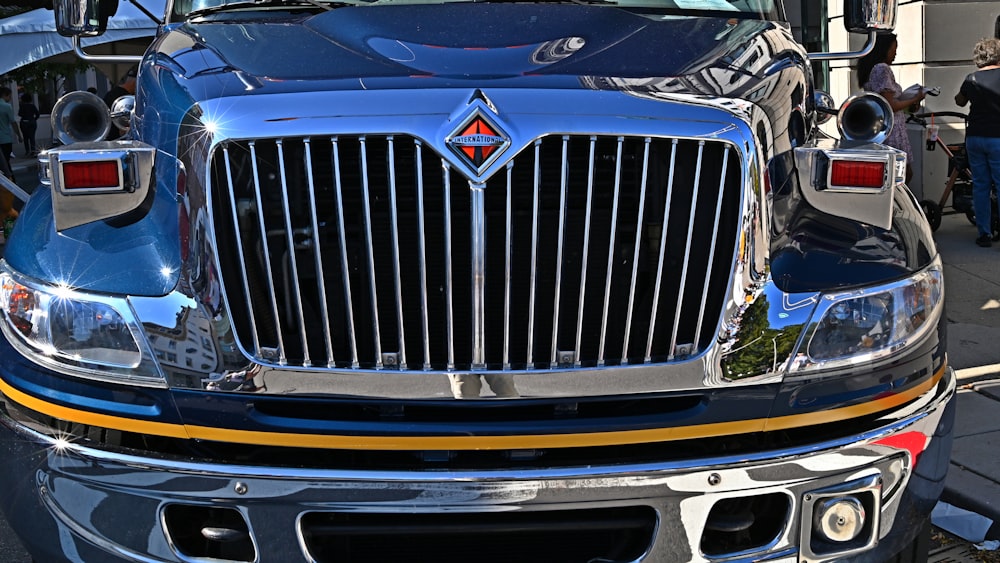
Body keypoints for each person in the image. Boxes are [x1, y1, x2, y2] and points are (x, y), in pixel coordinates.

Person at [857, 31, 928, 184]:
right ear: (884, 49)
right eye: (894, 49)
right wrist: (916, 97)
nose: (896, 53)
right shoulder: (882, 69)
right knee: (902, 173)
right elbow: (890, 105)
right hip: (892, 130)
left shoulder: (872, 68)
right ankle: (894, 205)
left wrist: (909, 103)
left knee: (895, 173)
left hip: (883, 126)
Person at [956, 37, 1000, 247]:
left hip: (975, 137)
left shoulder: (971, 78)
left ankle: (985, 233)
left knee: (980, 186)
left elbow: (959, 100)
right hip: (997, 138)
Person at [0, 87, 21, 222]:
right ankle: (9, 189)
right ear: (6, 95)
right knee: (5, 164)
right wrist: (19, 135)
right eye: (9, 96)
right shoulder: (6, 106)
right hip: (5, 138)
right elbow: (13, 122)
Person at [103, 67, 137, 139]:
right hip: (119, 139)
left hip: (108, 136)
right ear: (135, 83)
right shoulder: (127, 99)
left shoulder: (110, 93)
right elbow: (124, 129)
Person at [17, 93, 40, 157]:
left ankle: (27, 151)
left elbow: (19, 114)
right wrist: (33, 119)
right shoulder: (32, 106)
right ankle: (33, 151)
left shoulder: (22, 106)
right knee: (32, 137)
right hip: (31, 122)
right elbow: (37, 114)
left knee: (25, 137)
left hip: (24, 122)